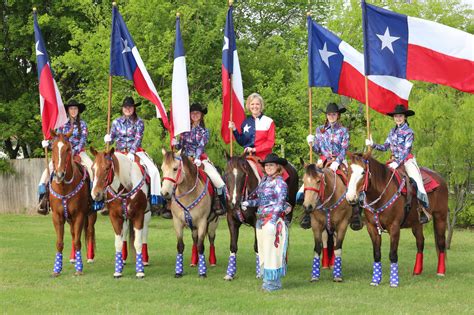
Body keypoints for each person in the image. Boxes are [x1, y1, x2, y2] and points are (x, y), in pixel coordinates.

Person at [299, 102, 362, 230]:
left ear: (338, 115)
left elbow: (344, 149)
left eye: (334, 114)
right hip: (322, 162)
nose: (331, 116)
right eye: (329, 114)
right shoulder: (320, 129)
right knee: (306, 186)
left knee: (351, 184)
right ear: (327, 116)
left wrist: (337, 162)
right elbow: (317, 149)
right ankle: (306, 212)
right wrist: (311, 143)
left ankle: (355, 214)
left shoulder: (343, 131)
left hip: (340, 161)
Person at [366, 104, 431, 224]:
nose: (398, 118)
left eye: (400, 116)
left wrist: (398, 162)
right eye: (396, 116)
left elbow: (406, 150)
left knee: (416, 181)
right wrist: (373, 144)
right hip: (392, 161)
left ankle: (422, 208)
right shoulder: (392, 131)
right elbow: (385, 147)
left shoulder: (409, 132)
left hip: (407, 161)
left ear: (405, 117)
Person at [241, 153, 290, 292]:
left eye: (271, 165)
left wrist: (273, 221)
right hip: (261, 220)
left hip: (272, 221)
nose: (268, 167)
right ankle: (267, 281)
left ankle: (272, 283)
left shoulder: (280, 183)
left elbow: (280, 203)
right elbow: (260, 201)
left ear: (278, 167)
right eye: (266, 165)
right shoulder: (264, 181)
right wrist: (248, 203)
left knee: (272, 252)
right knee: (263, 251)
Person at [104, 96, 165, 207]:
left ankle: (153, 198)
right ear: (122, 109)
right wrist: (108, 138)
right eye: (126, 107)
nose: (128, 109)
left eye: (130, 107)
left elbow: (138, 138)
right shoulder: (116, 122)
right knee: (102, 169)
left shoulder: (139, 122)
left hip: (136, 151)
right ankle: (102, 200)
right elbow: (113, 136)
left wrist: (132, 152)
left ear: (134, 108)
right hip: (118, 152)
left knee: (154, 170)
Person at [37, 99, 94, 215]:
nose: (73, 111)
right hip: (62, 154)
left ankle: (94, 199)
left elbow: (83, 140)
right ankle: (43, 200)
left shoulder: (83, 124)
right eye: (71, 108)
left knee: (92, 169)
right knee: (47, 172)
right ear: (67, 111)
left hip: (79, 152)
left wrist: (73, 151)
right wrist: (47, 143)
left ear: (78, 111)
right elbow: (56, 139)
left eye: (75, 109)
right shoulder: (61, 125)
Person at [172, 102, 227, 215]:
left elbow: (201, 146)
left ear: (201, 115)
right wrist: (175, 143)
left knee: (217, 180)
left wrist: (197, 158)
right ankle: (168, 204)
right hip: (185, 159)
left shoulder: (204, 131)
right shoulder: (184, 131)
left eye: (197, 113)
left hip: (200, 159)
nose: (195, 115)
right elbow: (181, 147)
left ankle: (220, 204)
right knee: (171, 176)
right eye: (193, 113)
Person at [228, 93, 275, 160]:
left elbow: (270, 143)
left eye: (257, 104)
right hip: (248, 158)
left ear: (261, 106)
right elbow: (242, 142)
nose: (255, 106)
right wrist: (234, 129)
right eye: (252, 104)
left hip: (265, 158)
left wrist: (254, 149)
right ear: (249, 106)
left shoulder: (269, 121)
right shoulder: (245, 122)